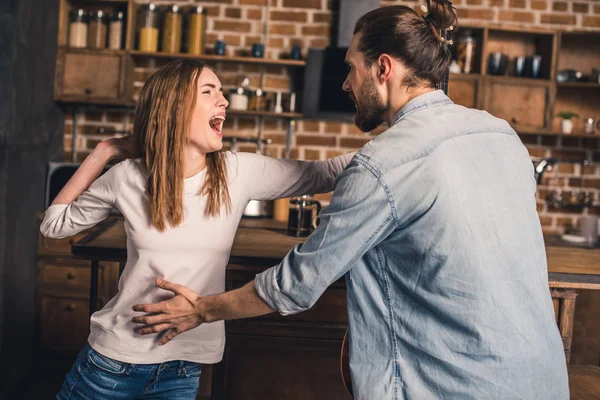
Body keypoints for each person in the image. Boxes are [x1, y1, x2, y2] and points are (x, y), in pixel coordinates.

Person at [131, 2, 570, 400]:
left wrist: (204, 308)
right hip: (544, 379)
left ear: (383, 68)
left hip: (453, 386)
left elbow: (296, 286)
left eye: (351, 68)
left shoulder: (382, 163)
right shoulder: (501, 134)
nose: (345, 82)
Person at [40, 59, 353, 399]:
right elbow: (54, 225)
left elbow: (325, 172)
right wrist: (105, 151)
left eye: (222, 92)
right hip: (114, 363)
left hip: (183, 369)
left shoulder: (236, 172)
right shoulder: (127, 176)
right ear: (173, 107)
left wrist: (403, 143)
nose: (224, 101)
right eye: (208, 91)